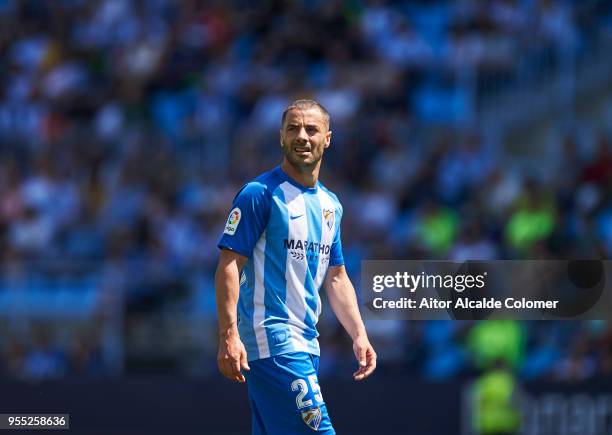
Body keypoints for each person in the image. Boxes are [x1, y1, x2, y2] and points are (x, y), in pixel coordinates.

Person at [216, 99, 376, 434]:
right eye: (293, 129)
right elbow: (229, 264)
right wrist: (228, 334)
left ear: (327, 138)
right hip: (272, 340)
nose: (302, 136)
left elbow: (336, 276)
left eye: (311, 129)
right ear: (281, 138)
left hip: (307, 343)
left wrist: (359, 334)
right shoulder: (259, 194)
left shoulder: (331, 205)